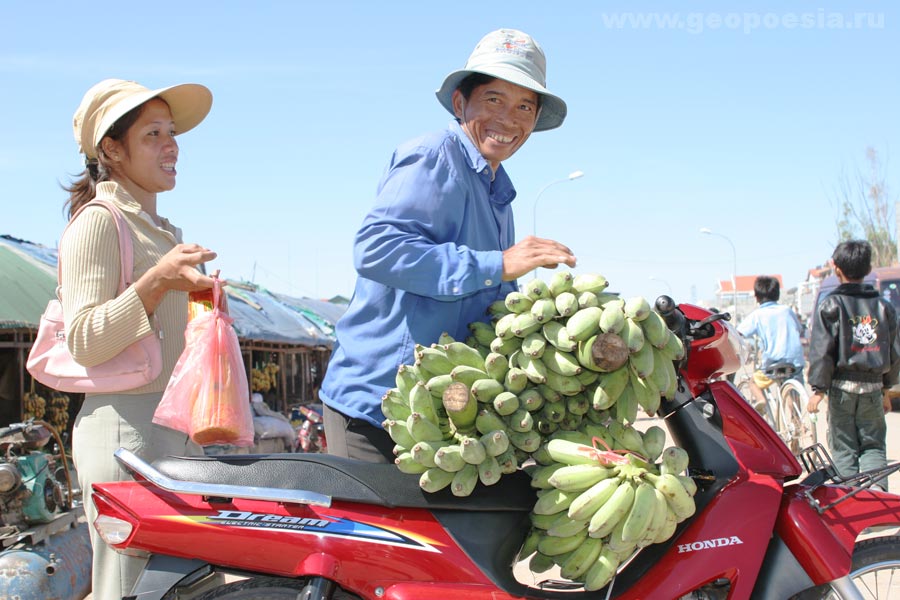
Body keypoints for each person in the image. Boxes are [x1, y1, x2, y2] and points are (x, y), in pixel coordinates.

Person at [320, 28, 576, 462]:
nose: (509, 119)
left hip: (439, 413)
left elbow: (484, 298)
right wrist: (498, 263)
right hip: (376, 408)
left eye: (524, 107)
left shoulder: (496, 189)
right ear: (461, 103)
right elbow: (377, 249)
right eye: (494, 99)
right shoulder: (437, 155)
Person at [65, 79, 217, 599]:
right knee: (131, 590)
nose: (171, 146)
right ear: (112, 148)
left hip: (173, 432)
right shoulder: (98, 224)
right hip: (125, 436)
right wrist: (156, 283)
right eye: (152, 134)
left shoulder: (163, 232)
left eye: (171, 132)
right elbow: (83, 340)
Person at [807, 240, 900, 491]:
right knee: (873, 446)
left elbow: (822, 352)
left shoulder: (830, 305)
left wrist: (818, 390)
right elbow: (894, 353)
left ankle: (850, 502)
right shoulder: (884, 306)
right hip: (872, 389)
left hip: (841, 391)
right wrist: (886, 389)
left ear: (836, 269)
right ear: (869, 268)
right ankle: (878, 499)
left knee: (844, 447)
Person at [737, 276, 806, 409]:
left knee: (753, 383)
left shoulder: (757, 315)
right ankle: (799, 425)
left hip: (773, 364)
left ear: (756, 297)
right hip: (795, 363)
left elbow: (739, 333)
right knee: (792, 392)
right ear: (777, 294)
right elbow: (799, 328)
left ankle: (761, 400)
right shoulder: (787, 311)